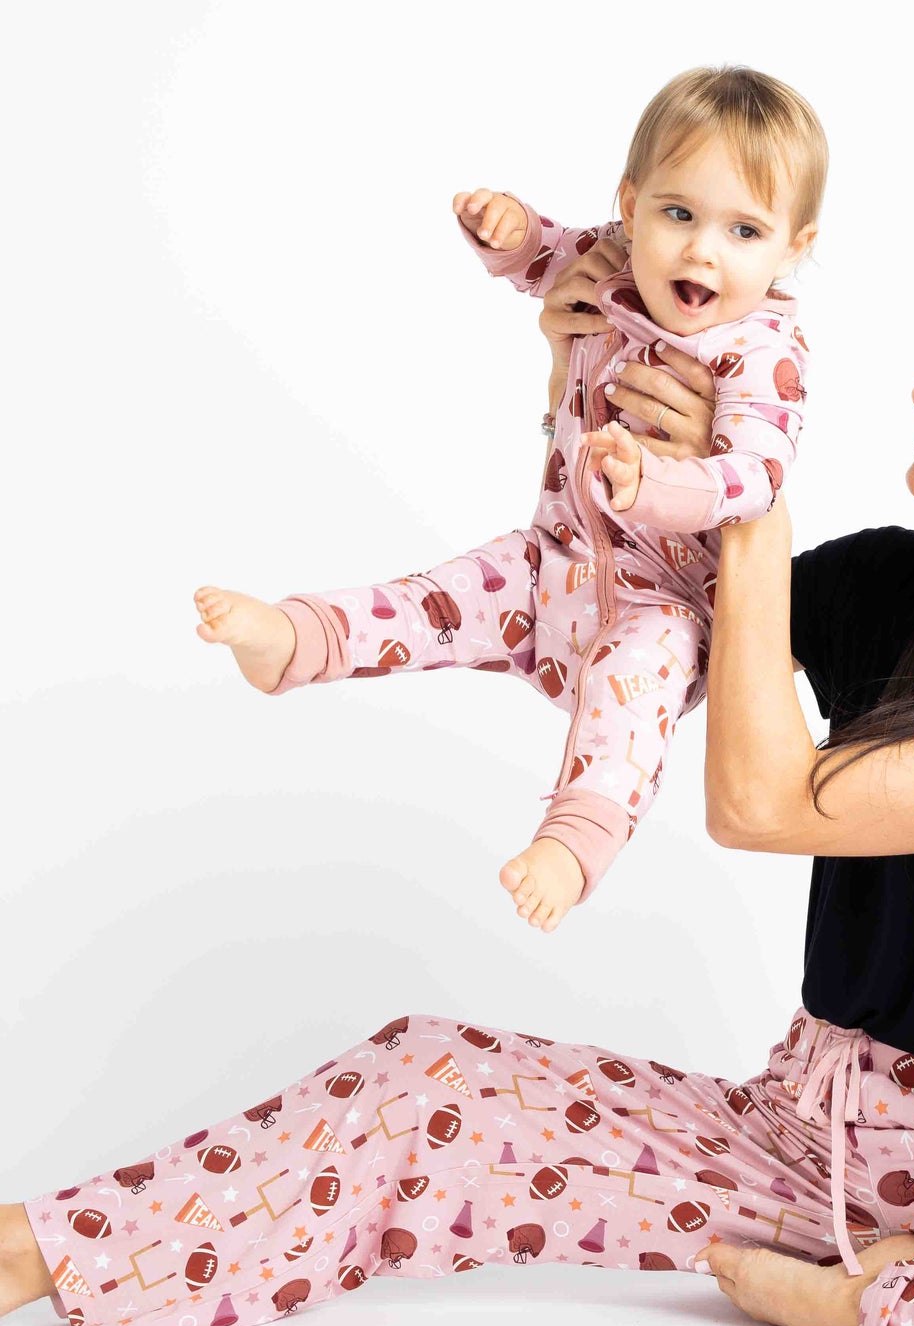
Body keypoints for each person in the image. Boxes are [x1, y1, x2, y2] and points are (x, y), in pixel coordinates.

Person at [0, 244, 914, 1326]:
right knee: (434, 1074)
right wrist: (608, 385)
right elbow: (624, 629)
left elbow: (766, 800)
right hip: (789, 1137)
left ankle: (867, 1306)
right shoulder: (884, 587)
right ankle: (37, 1247)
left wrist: (743, 504)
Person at [190, 64, 824, 932]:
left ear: (793, 246)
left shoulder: (762, 351)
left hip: (666, 607)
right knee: (431, 597)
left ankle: (574, 842)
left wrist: (659, 482)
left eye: (743, 230)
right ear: (631, 203)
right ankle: (295, 640)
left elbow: (755, 474)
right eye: (677, 213)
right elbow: (543, 258)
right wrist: (506, 227)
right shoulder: (616, 264)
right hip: (549, 562)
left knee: (629, 710)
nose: (700, 250)